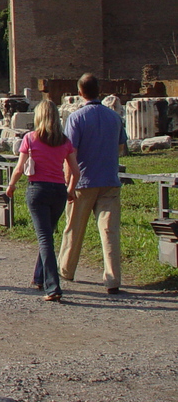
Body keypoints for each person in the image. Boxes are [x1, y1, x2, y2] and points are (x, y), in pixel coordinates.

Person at [59, 73, 128, 293]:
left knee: (74, 228)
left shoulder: (76, 118)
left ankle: (66, 269)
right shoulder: (114, 117)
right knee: (109, 231)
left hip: (83, 180)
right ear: (100, 90)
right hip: (109, 179)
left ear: (80, 93)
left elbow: (71, 155)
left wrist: (69, 184)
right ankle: (112, 278)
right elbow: (120, 147)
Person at [5, 100, 80, 301]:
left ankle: (53, 287)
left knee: (45, 239)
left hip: (38, 189)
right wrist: (70, 190)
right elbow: (76, 171)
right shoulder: (64, 141)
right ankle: (39, 277)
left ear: (38, 117)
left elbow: (20, 168)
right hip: (58, 192)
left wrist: (11, 185)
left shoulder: (30, 138)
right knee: (46, 234)